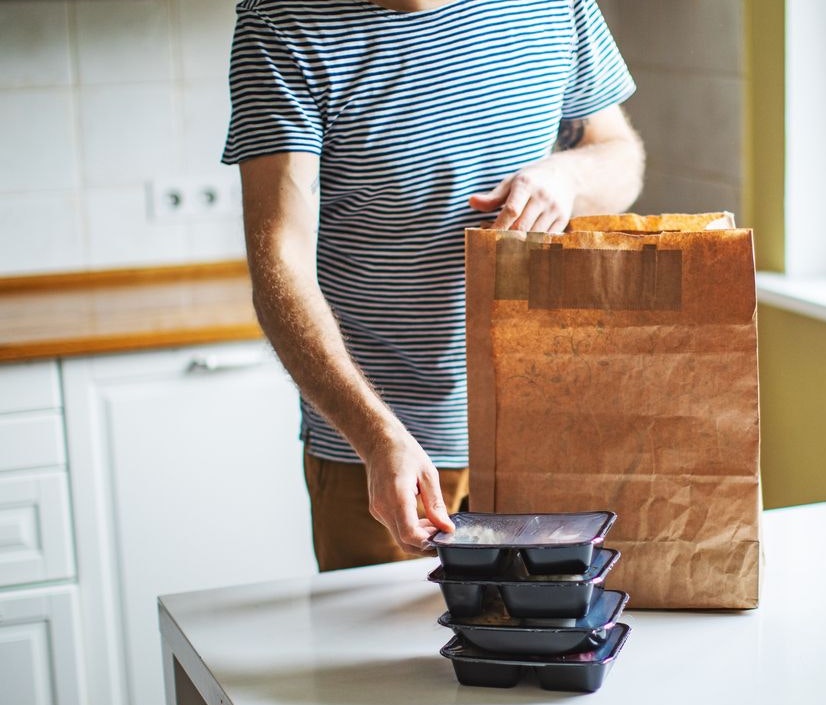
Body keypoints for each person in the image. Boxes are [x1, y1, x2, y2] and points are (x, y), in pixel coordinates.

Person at [222, 0, 644, 571]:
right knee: (387, 659)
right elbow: (280, 263)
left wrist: (566, 177)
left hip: (546, 429)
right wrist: (376, 437)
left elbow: (621, 156)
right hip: (382, 452)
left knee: (550, 648)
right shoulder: (283, 20)